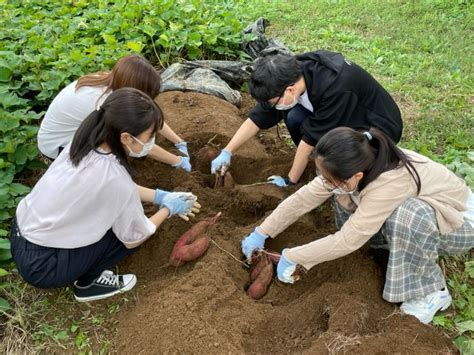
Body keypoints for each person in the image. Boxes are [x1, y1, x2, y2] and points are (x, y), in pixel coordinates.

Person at [241, 127, 474, 324]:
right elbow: (303, 198)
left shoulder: (390, 181)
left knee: (407, 215)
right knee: (343, 194)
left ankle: (432, 291)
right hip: (424, 214)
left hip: (458, 224)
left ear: (357, 175)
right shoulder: (351, 165)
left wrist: (294, 256)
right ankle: (388, 250)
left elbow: (347, 240)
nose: (325, 181)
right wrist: (262, 232)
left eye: (329, 177)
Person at [11, 88, 200, 302]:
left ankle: (77, 265)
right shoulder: (115, 179)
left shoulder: (83, 143)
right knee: (119, 234)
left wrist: (159, 196)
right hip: (43, 267)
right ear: (126, 137)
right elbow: (135, 237)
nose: (152, 141)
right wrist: (168, 209)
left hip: (21, 233)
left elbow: (114, 188)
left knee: (109, 216)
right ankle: (88, 284)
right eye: (150, 136)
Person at [211, 50, 403, 186]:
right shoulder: (292, 74)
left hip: (375, 126)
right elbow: (259, 116)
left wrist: (290, 180)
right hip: (339, 113)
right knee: (294, 116)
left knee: (340, 158)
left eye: (272, 101)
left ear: (289, 90)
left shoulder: (334, 86)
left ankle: (337, 166)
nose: (271, 105)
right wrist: (228, 151)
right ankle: (313, 162)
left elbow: (310, 137)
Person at [37, 54, 191, 172]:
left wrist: (178, 141)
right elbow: (135, 141)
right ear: (133, 87)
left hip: (75, 132)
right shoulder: (101, 103)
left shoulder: (115, 80)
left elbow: (148, 113)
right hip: (58, 147)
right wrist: (176, 161)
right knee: (110, 160)